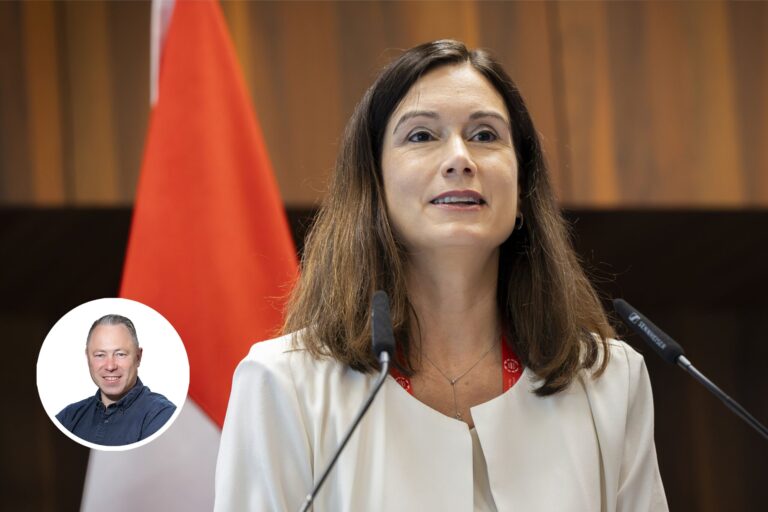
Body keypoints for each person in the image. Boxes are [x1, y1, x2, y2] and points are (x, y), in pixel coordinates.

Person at [215, 40, 668, 511]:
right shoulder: (285, 385)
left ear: (521, 187)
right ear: (375, 185)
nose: (460, 158)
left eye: (485, 135)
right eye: (421, 136)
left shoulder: (608, 381)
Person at [56, 314, 176, 446]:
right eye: (100, 355)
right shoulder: (69, 417)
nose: (110, 366)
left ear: (138, 357)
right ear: (88, 357)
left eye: (120, 354)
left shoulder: (161, 415)